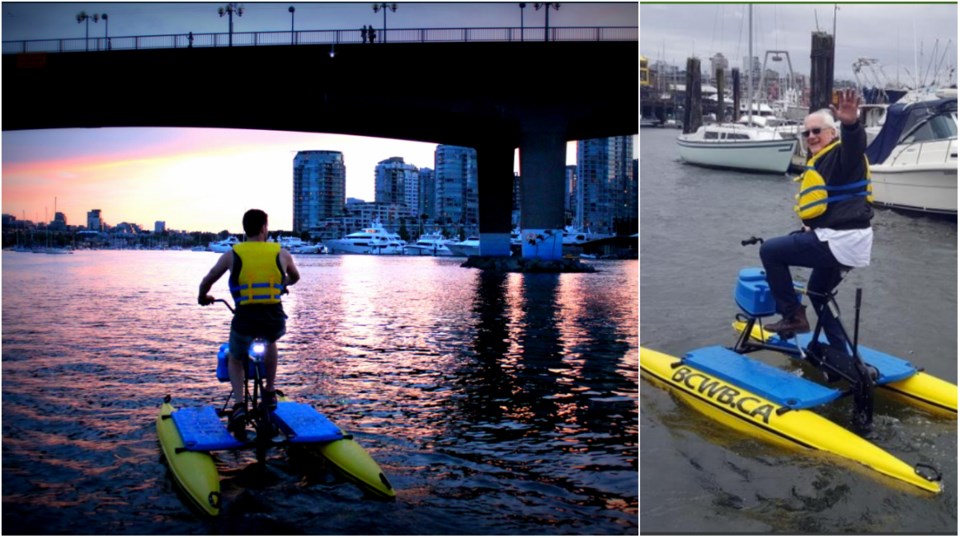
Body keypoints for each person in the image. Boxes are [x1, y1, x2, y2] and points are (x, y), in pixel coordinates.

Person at [759, 88, 873, 352]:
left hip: (841, 240)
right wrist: (811, 226)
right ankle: (841, 353)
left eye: (817, 131)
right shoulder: (822, 161)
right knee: (818, 292)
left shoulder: (842, 156)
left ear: (832, 133)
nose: (810, 136)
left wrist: (851, 123)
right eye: (806, 132)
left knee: (771, 252)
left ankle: (792, 317)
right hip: (848, 240)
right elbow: (832, 203)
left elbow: (855, 145)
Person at [198, 209, 300, 440]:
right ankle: (270, 390)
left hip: (245, 317)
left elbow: (209, 278)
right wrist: (282, 284)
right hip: (273, 317)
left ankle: (239, 405)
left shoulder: (232, 254)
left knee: (235, 355)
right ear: (264, 227)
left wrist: (202, 296)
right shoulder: (281, 253)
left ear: (245, 229)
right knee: (271, 341)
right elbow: (295, 277)